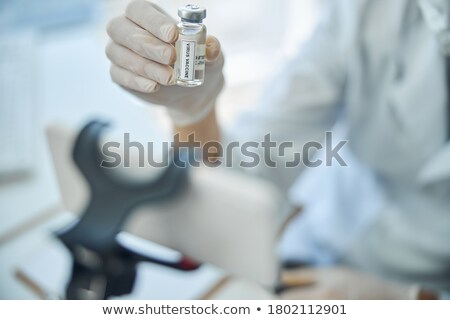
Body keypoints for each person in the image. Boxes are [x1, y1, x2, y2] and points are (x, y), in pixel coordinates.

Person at [105, 0, 450, 299]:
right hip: (309, 254)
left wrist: (418, 301)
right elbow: (252, 169)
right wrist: (192, 112)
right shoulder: (370, 10)